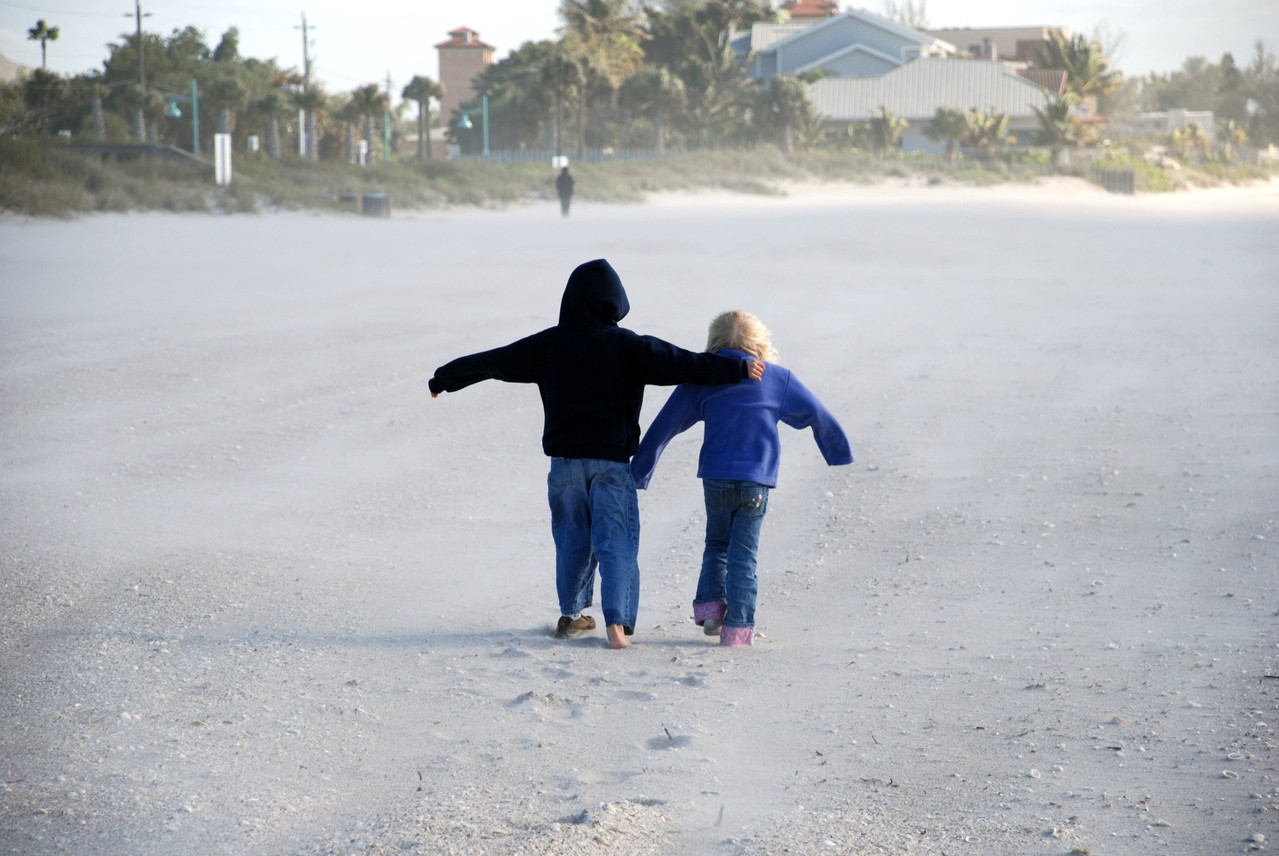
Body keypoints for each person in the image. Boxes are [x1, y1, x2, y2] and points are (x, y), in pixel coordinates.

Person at [429, 260, 764, 649]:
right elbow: (685, 363)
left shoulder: (547, 344)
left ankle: (572, 616)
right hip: (611, 465)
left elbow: (491, 361)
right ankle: (617, 625)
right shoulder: (630, 346)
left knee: (572, 538)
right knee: (616, 542)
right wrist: (738, 370)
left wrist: (444, 379)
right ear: (615, 303)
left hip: (565, 466)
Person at [631, 310, 852, 647]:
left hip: (716, 478)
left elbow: (665, 426)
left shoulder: (701, 379)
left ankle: (709, 611)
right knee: (743, 553)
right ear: (760, 344)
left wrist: (640, 470)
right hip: (755, 483)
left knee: (716, 543)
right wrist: (837, 452)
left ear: (715, 343)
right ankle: (736, 630)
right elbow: (816, 414)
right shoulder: (777, 379)